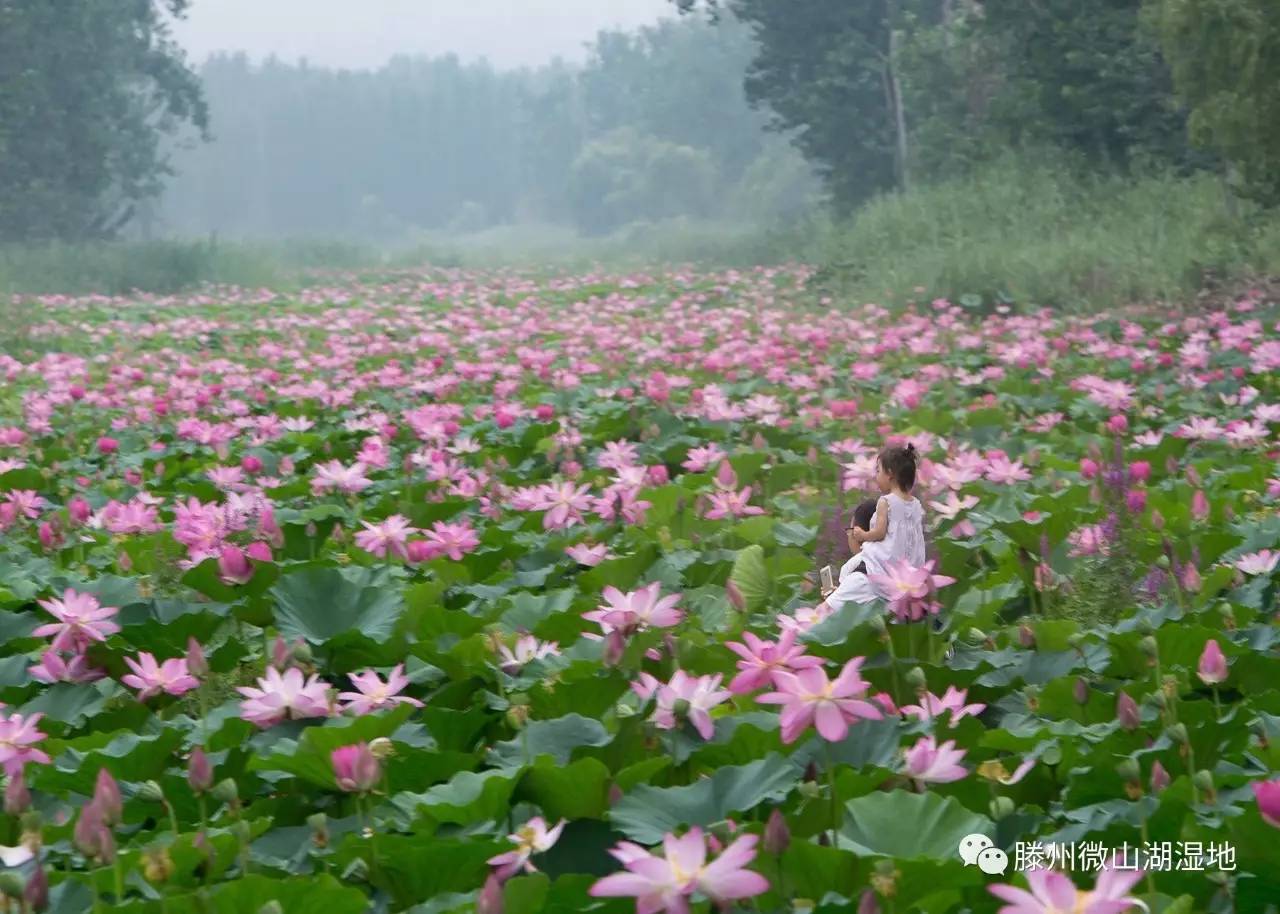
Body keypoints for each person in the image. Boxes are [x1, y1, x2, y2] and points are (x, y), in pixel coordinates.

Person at [820, 444, 926, 611]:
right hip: (908, 577)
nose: (876, 476)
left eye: (878, 471)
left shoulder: (886, 502)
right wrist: (838, 593)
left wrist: (863, 534)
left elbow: (879, 532)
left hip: (877, 575)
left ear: (890, 474)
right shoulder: (915, 505)